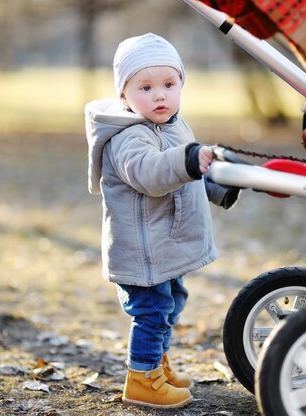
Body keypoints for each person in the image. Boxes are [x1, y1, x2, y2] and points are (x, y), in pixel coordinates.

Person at [84, 33, 240, 409]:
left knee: (172, 304)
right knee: (153, 312)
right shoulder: (128, 137)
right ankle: (142, 378)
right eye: (146, 86)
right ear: (124, 94)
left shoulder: (173, 125)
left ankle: (157, 364)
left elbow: (189, 176)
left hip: (164, 245)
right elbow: (151, 175)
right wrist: (188, 160)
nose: (160, 95)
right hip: (142, 252)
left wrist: (218, 185)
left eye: (169, 85)